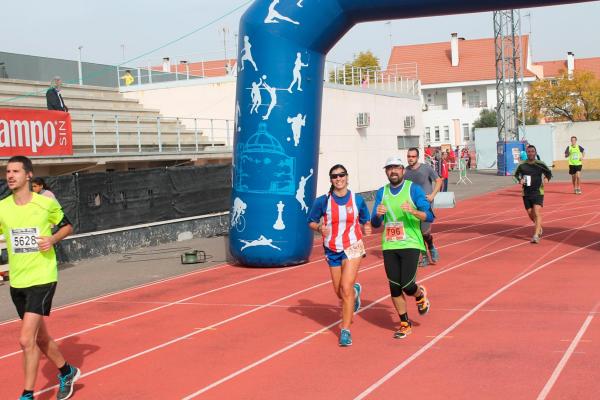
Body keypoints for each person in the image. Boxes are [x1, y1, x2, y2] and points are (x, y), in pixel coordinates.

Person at [0, 156, 79, 400]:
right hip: (18, 281)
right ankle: (67, 372)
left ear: (29, 175)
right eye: (7, 171)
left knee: (26, 339)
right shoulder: (2, 207)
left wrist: (52, 239)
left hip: (42, 277)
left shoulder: (44, 204)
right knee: (40, 338)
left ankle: (27, 394)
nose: (10, 175)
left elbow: (67, 226)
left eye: (15, 171)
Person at [370, 156, 434, 339]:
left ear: (402, 170)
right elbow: (375, 223)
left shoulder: (413, 190)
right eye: (389, 168)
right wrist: (377, 215)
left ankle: (420, 294)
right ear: (386, 172)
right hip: (390, 244)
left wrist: (413, 211)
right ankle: (405, 323)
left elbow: (429, 216)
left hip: (410, 242)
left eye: (396, 168)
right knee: (395, 287)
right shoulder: (382, 192)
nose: (393, 171)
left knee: (407, 284)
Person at [308, 164, 371, 347]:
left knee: (345, 287)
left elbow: (365, 219)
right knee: (339, 292)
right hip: (332, 248)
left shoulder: (357, 200)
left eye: (341, 175)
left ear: (347, 177)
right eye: (335, 176)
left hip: (353, 246)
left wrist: (366, 226)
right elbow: (311, 221)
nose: (338, 179)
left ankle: (345, 330)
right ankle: (355, 292)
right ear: (331, 180)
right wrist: (319, 227)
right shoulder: (323, 201)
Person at [403, 147, 443, 267]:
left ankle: (431, 246)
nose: (410, 159)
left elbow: (439, 180)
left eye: (413, 156)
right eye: (409, 156)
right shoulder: (405, 171)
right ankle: (424, 256)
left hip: (425, 204)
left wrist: (432, 195)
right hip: (412, 205)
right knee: (416, 232)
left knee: (424, 232)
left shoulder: (426, 168)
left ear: (417, 157)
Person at [513, 145, 553, 244]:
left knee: (536, 212)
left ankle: (536, 235)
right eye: (529, 151)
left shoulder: (540, 164)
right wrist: (519, 180)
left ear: (535, 153)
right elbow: (514, 175)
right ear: (526, 153)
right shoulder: (522, 165)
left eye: (532, 151)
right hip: (526, 192)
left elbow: (549, 173)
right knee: (530, 213)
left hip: (538, 191)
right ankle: (538, 226)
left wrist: (546, 178)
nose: (530, 153)